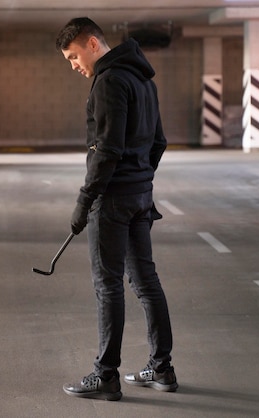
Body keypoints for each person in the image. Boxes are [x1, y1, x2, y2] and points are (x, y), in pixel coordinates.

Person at [55, 17, 177, 401]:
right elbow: (158, 142)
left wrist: (85, 200)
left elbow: (106, 151)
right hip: (140, 198)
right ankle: (163, 369)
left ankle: (106, 375)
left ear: (93, 44)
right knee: (145, 282)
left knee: (108, 287)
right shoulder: (144, 80)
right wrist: (140, 180)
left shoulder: (109, 81)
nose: (74, 65)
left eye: (74, 56)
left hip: (113, 202)